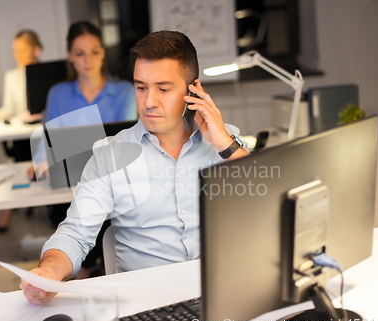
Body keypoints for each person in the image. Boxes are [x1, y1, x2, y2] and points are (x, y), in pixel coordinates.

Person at [21, 30, 249, 305]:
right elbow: (75, 233)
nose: (149, 102)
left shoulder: (226, 144)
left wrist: (225, 144)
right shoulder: (109, 156)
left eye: (163, 89)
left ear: (194, 90)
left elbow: (267, 204)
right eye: (141, 88)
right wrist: (49, 270)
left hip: (221, 294)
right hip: (150, 304)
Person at [28, 21, 137, 278]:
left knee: (108, 209)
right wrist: (41, 161)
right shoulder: (58, 93)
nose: (88, 60)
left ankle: (87, 269)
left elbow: (129, 141)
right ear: (70, 57)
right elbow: (47, 139)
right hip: (69, 181)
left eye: (95, 51)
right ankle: (82, 268)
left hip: (113, 179)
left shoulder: (124, 92)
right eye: (79, 53)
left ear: (103, 53)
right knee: (70, 215)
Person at [0, 30, 44, 232]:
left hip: (44, 129)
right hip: (22, 134)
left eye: (22, 50)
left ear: (37, 50)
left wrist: (40, 115)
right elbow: (9, 109)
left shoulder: (48, 73)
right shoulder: (12, 76)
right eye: (15, 51)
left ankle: (55, 208)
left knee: (48, 150)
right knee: (22, 158)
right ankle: (10, 207)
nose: (17, 55)